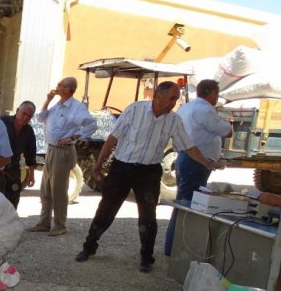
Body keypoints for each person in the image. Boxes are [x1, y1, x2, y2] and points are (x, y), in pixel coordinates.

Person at [75, 81, 218, 273]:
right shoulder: (134, 110)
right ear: (157, 96)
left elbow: (188, 146)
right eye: (171, 98)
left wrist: (207, 162)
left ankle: (146, 257)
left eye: (176, 99)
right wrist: (98, 165)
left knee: (148, 217)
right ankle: (89, 247)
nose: (174, 103)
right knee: (106, 211)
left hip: (149, 173)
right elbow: (113, 137)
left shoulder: (173, 120)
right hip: (122, 168)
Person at [164, 79, 233, 255]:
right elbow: (226, 131)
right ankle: (174, 248)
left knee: (184, 202)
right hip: (196, 162)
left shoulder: (187, 107)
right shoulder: (205, 110)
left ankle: (173, 246)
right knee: (187, 205)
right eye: (216, 95)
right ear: (212, 94)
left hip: (186, 159)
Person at [28, 77, 96, 236]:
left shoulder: (76, 108)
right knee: (46, 188)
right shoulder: (58, 106)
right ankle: (44, 223)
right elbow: (41, 118)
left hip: (63, 151)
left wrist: (74, 137)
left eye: (60, 85)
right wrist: (47, 99)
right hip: (51, 150)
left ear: (67, 89)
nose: (57, 87)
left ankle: (59, 225)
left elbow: (91, 124)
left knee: (58, 190)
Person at [0, 101, 37, 208]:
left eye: (29, 116)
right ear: (17, 111)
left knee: (13, 200)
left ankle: (10, 223)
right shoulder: (1, 122)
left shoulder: (29, 131)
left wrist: (31, 175)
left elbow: (31, 154)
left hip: (13, 169)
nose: (25, 118)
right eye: (23, 114)